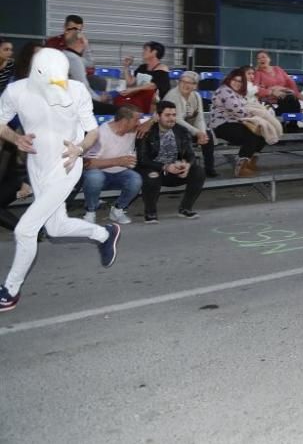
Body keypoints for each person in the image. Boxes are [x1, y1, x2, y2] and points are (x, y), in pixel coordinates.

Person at [0, 48, 120, 313]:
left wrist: (80, 148)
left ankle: (10, 290)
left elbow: (92, 132)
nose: (61, 84)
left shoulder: (76, 90)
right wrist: (14, 137)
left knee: (25, 230)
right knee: (55, 228)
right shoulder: (17, 91)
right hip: (37, 165)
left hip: (67, 165)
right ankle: (105, 234)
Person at [136, 100, 205, 223]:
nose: (172, 118)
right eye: (167, 115)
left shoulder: (182, 131)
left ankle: (186, 208)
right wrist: (165, 167)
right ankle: (150, 212)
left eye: (174, 115)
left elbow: (190, 154)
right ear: (158, 116)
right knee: (152, 175)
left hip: (174, 170)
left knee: (198, 171)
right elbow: (142, 159)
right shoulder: (147, 132)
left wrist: (187, 165)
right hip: (154, 170)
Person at [82, 105, 142, 224]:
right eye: (136, 120)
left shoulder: (132, 129)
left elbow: (154, 118)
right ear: (125, 121)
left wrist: (149, 123)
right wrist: (117, 161)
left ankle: (118, 210)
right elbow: (87, 163)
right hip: (99, 172)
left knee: (136, 179)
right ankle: (90, 211)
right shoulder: (101, 134)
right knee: (94, 177)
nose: (139, 123)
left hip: (120, 172)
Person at [209, 68, 266, 177]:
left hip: (234, 123)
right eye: (234, 80)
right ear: (229, 79)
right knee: (251, 135)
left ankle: (249, 163)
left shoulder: (237, 93)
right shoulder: (224, 90)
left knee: (262, 135)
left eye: (240, 81)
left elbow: (245, 108)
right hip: (221, 125)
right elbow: (237, 110)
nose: (237, 83)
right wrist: (254, 117)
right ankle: (240, 168)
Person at [163, 71, 218, 177]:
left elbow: (200, 118)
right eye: (183, 81)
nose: (186, 85)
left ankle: (209, 168)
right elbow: (176, 120)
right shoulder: (173, 95)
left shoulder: (196, 96)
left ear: (195, 85)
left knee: (208, 135)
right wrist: (197, 132)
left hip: (188, 128)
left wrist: (202, 133)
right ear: (178, 82)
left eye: (190, 83)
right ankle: (182, 170)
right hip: (172, 128)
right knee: (184, 135)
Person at [63, 25, 117, 115]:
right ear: (80, 41)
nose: (86, 41)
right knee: (117, 111)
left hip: (71, 97)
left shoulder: (68, 55)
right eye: (85, 39)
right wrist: (99, 99)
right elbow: (83, 85)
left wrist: (86, 47)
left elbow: (90, 63)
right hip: (77, 101)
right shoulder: (74, 59)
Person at [251, 50, 302, 123]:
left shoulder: (278, 69)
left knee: (292, 99)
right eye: (259, 58)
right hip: (270, 100)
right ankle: (287, 122)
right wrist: (271, 91)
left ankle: (293, 122)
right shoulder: (257, 73)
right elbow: (255, 89)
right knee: (288, 100)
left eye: (263, 57)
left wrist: (295, 93)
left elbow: (290, 81)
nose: (261, 59)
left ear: (269, 59)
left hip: (286, 96)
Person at [121, 41, 171, 113]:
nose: (143, 52)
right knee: (119, 99)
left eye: (146, 50)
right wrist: (126, 66)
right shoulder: (142, 67)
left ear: (154, 52)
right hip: (138, 97)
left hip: (153, 101)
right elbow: (130, 83)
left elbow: (153, 85)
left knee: (147, 95)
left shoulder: (162, 68)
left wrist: (133, 90)